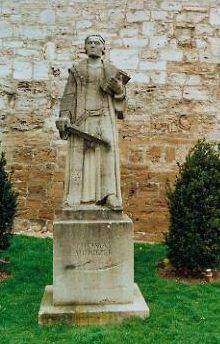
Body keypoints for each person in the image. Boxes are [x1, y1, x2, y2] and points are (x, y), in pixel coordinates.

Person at [56, 34, 129, 210]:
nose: (93, 46)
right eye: (90, 43)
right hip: (81, 118)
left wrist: (119, 91)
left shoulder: (112, 71)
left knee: (107, 152)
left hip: (104, 117)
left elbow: (121, 100)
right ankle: (74, 195)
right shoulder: (76, 71)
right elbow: (69, 95)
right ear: (85, 48)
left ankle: (109, 195)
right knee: (78, 155)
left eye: (97, 43)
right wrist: (64, 116)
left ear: (103, 48)